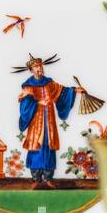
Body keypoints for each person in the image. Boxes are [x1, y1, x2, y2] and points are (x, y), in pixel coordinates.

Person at [13, 55, 83, 188]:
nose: (39, 68)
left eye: (40, 66)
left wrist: (75, 90)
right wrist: (35, 101)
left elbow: (62, 91)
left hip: (49, 121)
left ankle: (48, 178)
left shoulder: (49, 83)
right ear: (31, 70)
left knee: (49, 147)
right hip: (36, 122)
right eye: (36, 67)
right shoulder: (28, 86)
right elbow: (25, 105)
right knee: (35, 147)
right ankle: (36, 179)